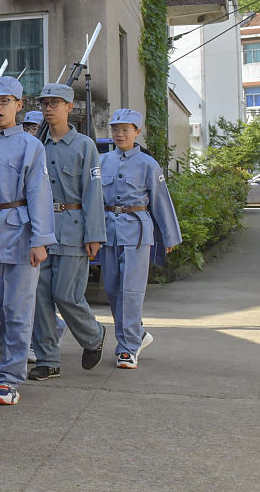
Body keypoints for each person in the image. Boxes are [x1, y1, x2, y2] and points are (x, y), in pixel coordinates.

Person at [0, 76, 56, 406]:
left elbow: (38, 193)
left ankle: (9, 378)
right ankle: (10, 358)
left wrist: (41, 239)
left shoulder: (31, 146)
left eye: (4, 101)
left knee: (17, 311)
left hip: (20, 233)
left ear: (19, 105)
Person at [29, 83, 107, 381]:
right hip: (43, 230)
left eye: (55, 103)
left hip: (74, 228)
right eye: (45, 103)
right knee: (40, 296)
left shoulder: (84, 145)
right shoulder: (37, 144)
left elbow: (93, 191)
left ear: (69, 107)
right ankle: (48, 359)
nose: (49, 108)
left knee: (66, 295)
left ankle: (93, 335)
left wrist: (94, 234)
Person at [99, 109, 182, 369]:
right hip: (109, 231)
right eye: (115, 129)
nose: (119, 134)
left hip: (137, 233)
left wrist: (168, 236)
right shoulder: (102, 161)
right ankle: (138, 334)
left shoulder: (148, 164)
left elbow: (160, 200)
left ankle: (128, 346)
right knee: (112, 290)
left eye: (125, 129)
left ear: (137, 132)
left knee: (131, 292)